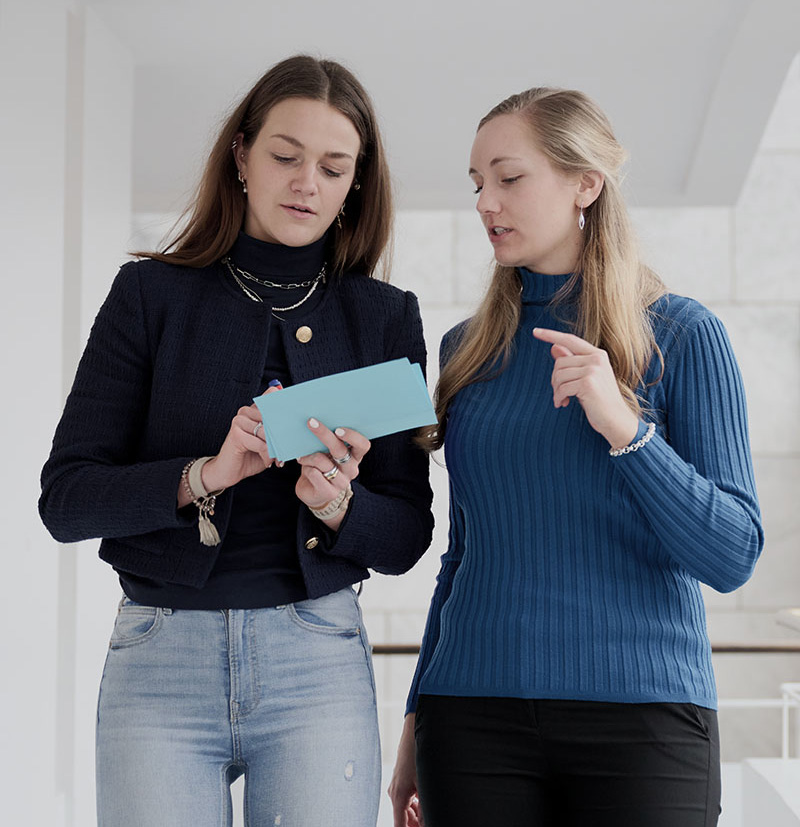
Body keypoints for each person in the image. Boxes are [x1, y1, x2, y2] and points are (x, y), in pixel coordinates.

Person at [40, 55, 433, 827]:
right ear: (241, 155)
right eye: (285, 155)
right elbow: (66, 499)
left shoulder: (385, 316)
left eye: (332, 166)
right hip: (160, 658)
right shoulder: (150, 294)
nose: (306, 182)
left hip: (317, 660)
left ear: (356, 182)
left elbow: (408, 534)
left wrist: (340, 505)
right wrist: (203, 474)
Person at [389, 86, 762, 827]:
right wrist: (413, 719)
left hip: (645, 714)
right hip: (471, 716)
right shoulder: (467, 350)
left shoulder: (682, 335)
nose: (486, 202)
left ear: (585, 182)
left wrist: (628, 430)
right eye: (477, 185)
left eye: (509, 177)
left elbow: (732, 552)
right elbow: (465, 553)